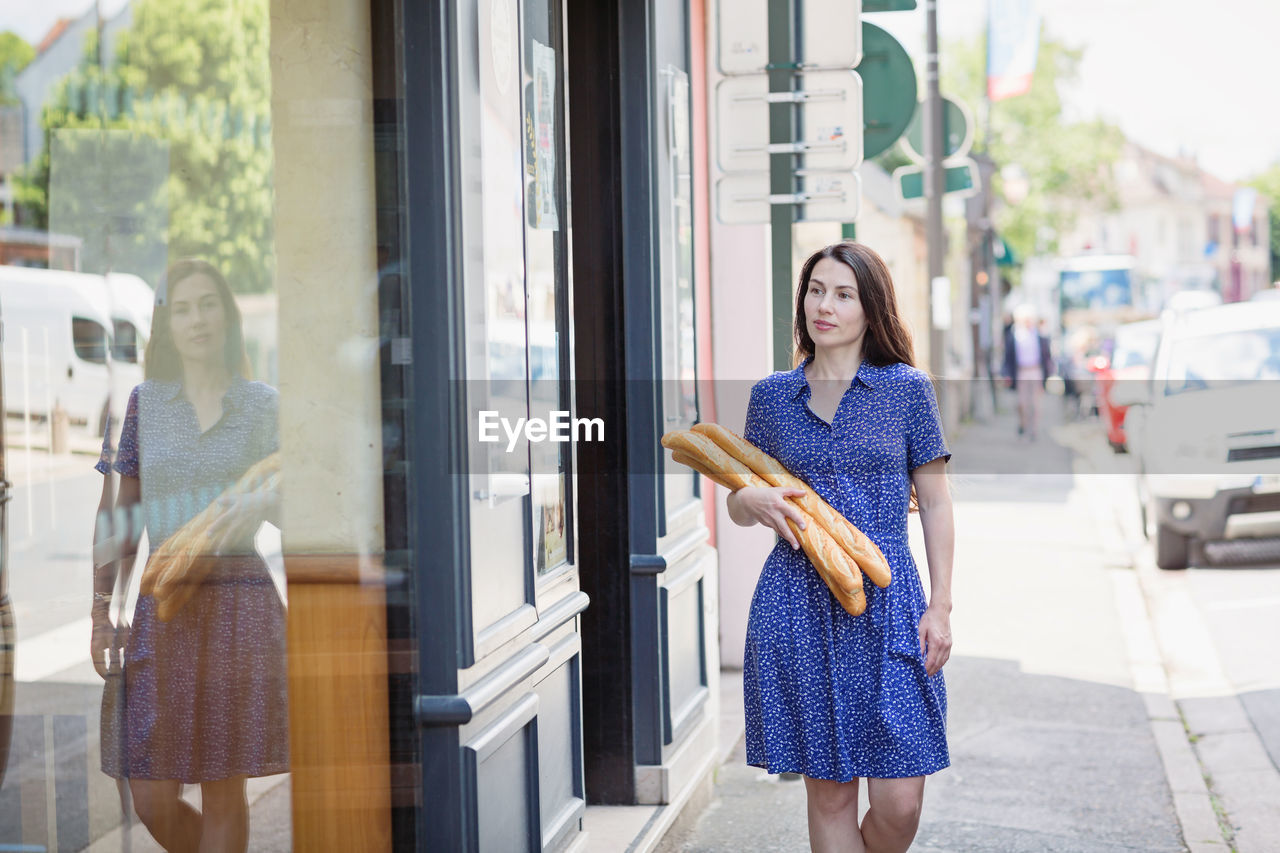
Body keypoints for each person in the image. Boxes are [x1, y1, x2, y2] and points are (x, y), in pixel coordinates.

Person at [728, 242, 954, 853]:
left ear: (870, 308)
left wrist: (941, 605)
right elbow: (742, 493)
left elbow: (934, 502)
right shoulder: (772, 397)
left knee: (899, 802)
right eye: (816, 290)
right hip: (797, 603)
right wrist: (746, 504)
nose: (824, 305)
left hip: (889, 602)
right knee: (829, 795)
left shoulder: (907, 391)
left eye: (843, 294)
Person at [90, 259, 287, 852]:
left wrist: (267, 499)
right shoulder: (143, 404)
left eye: (208, 305)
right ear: (167, 325)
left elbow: (297, 514)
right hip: (162, 604)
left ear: (226, 317)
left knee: (224, 787)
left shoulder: (262, 405)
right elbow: (117, 519)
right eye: (182, 308)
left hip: (239, 608)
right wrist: (102, 608)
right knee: (151, 792)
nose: (197, 319)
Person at [1002, 304, 1052, 440]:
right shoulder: (1014, 336)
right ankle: (1023, 424)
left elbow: (1046, 356)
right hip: (1021, 371)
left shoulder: (1039, 335)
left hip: (1035, 370)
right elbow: (1007, 357)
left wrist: (1048, 374)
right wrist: (1006, 374)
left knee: (1035, 403)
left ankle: (1033, 429)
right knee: (1021, 402)